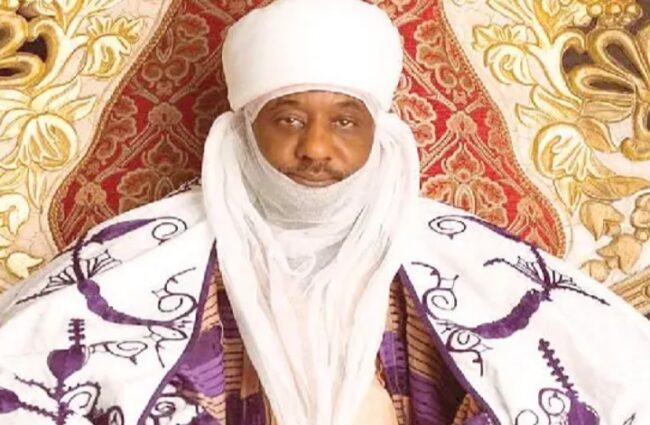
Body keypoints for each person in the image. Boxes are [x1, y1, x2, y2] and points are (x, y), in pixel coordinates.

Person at [0, 0, 649, 424]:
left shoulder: (473, 260)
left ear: (379, 133)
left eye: (344, 121)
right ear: (244, 129)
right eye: (287, 119)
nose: (315, 147)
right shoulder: (140, 258)